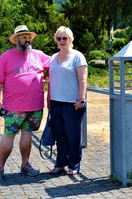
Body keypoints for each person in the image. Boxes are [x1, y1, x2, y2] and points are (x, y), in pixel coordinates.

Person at [0, 25, 50, 182]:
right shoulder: (6, 57)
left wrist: (48, 74)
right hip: (13, 108)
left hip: (35, 106)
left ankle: (25, 165)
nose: (27, 39)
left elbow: (55, 65)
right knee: (8, 135)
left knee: (27, 135)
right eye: (23, 37)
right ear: (16, 39)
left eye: (28, 36)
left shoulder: (39, 55)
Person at [47, 26, 87, 175]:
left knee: (73, 135)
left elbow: (83, 80)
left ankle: (74, 164)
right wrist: (48, 98)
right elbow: (51, 80)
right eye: (59, 38)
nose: (62, 41)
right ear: (56, 40)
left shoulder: (78, 56)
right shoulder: (53, 57)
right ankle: (60, 163)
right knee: (59, 135)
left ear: (71, 40)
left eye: (65, 38)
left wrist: (81, 99)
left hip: (73, 103)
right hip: (56, 102)